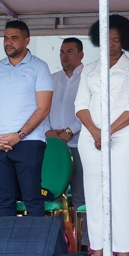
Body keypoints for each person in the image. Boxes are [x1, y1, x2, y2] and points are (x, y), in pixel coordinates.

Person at [76, 14, 129, 256]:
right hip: (90, 138)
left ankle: (125, 248)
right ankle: (97, 247)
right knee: (94, 193)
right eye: (108, 39)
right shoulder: (89, 69)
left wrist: (106, 132)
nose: (112, 44)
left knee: (123, 193)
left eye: (117, 40)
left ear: (125, 42)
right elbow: (80, 105)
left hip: (125, 137)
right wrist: (96, 132)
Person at [0, 20, 55, 218]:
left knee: (32, 198)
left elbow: (44, 107)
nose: (8, 42)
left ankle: (36, 249)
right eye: (6, 38)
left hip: (29, 142)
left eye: (14, 38)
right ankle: (9, 249)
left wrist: (19, 135)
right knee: (4, 200)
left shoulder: (39, 67)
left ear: (27, 40)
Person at [46, 37, 86, 207]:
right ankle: (56, 234)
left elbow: (94, 110)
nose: (64, 56)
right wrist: (47, 130)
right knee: (53, 196)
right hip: (54, 145)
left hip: (80, 144)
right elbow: (41, 107)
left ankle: (85, 235)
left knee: (81, 197)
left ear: (81, 54)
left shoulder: (89, 77)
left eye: (70, 51)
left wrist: (70, 131)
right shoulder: (51, 79)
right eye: (62, 52)